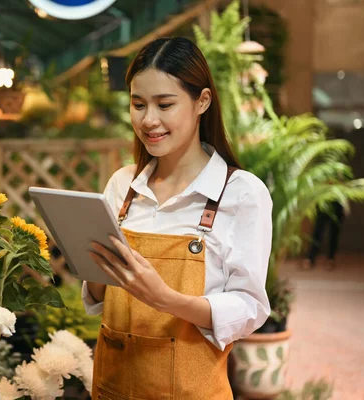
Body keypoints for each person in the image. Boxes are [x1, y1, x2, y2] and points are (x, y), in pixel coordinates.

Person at [82, 37, 272, 399]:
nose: (149, 120)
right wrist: (94, 267)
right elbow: (96, 298)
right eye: (138, 105)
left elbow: (250, 307)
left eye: (164, 104)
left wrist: (166, 299)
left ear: (202, 101)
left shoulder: (241, 193)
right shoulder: (122, 185)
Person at [302, 200, 346, 270]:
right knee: (318, 230)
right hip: (324, 201)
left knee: (334, 232)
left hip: (337, 203)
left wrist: (345, 204)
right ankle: (311, 258)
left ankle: (331, 258)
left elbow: (344, 190)